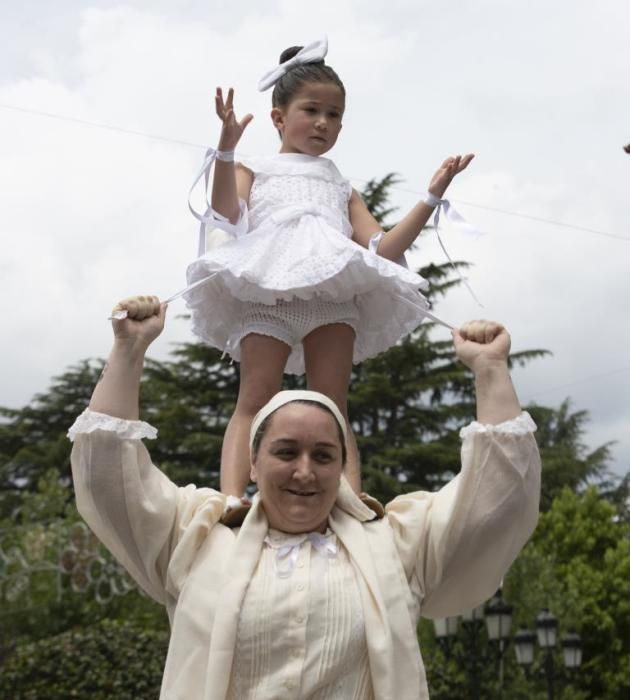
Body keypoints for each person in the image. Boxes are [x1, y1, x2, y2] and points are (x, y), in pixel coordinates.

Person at [69, 296, 541, 700]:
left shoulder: (395, 545)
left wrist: (490, 370)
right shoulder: (197, 536)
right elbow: (110, 476)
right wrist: (129, 351)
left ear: (342, 467)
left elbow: (495, 502)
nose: (304, 471)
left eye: (323, 455)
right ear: (252, 463)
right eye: (285, 452)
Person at [183, 37, 474, 501]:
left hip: (333, 300)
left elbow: (383, 250)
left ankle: (349, 503)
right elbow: (225, 214)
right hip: (267, 295)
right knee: (254, 401)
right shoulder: (255, 170)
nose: (323, 122)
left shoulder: (340, 184)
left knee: (333, 405)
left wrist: (432, 196)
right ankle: (233, 501)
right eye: (311, 110)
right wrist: (225, 150)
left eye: (335, 114)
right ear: (279, 117)